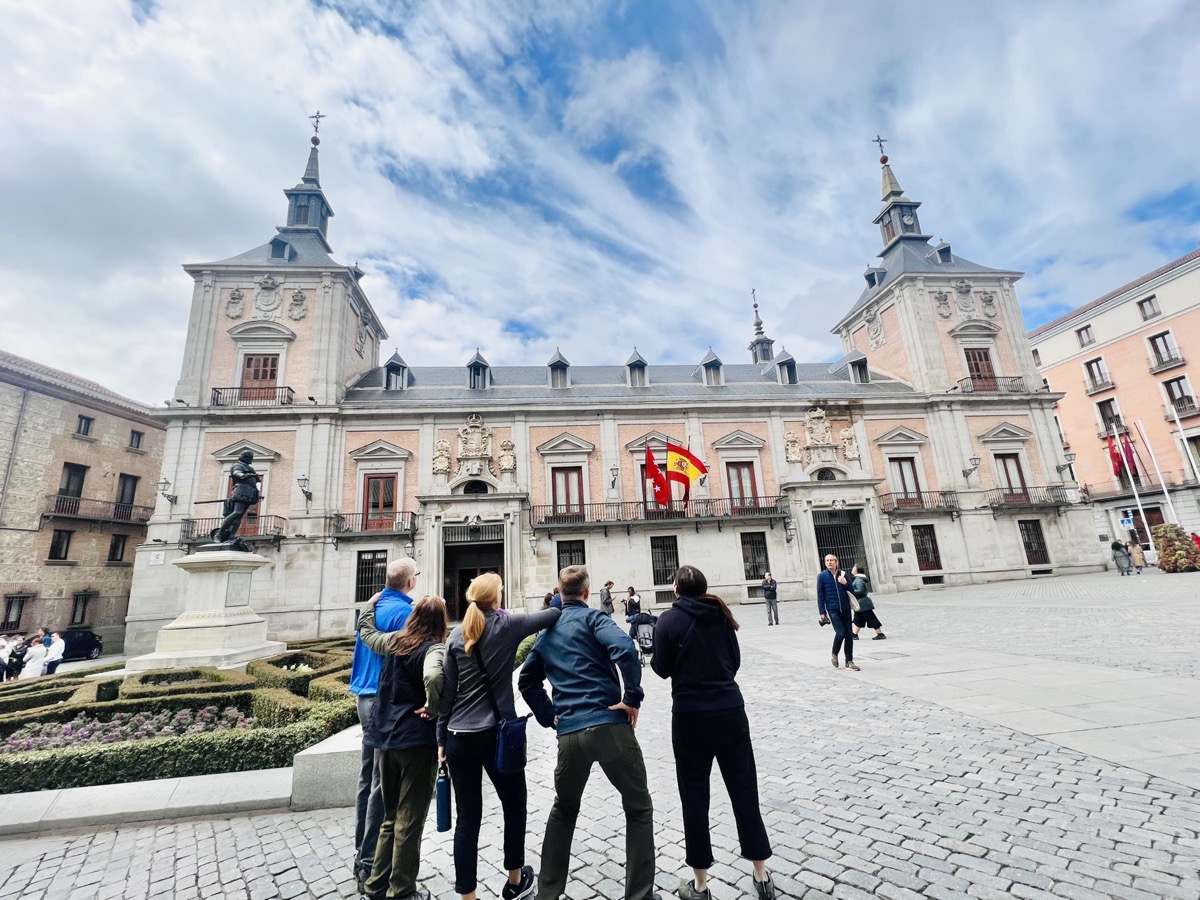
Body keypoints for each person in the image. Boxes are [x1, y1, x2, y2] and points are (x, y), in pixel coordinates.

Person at [519, 565, 661, 900]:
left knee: (563, 809)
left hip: (569, 733)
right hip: (609, 726)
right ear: (586, 592)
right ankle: (639, 896)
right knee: (638, 807)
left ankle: (548, 893)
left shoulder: (547, 632)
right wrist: (631, 698)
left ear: (560, 591)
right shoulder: (595, 619)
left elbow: (527, 680)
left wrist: (549, 715)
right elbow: (625, 649)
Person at [652, 565, 775, 900]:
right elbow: (734, 662)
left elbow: (662, 670)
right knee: (745, 791)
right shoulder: (721, 614)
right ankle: (762, 876)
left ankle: (701, 884)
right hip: (730, 711)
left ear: (676, 587)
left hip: (690, 717)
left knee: (694, 797)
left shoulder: (667, 621)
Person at [438, 572, 560, 900]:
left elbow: (446, 696)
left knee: (468, 818)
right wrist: (561, 591)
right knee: (514, 803)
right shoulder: (506, 627)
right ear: (496, 598)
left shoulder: (455, 636)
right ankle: (516, 880)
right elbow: (553, 614)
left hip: (457, 738)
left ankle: (468, 895)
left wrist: (440, 740)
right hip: (495, 736)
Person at [357, 595, 450, 900]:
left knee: (389, 817)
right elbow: (434, 674)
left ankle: (375, 886)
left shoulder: (395, 641)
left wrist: (369, 607)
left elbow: (368, 634)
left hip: (384, 739)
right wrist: (433, 706)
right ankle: (402, 891)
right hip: (414, 741)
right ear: (440, 621)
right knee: (409, 819)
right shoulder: (434, 647)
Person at [349, 557, 420, 894]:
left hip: (363, 697)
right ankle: (368, 864)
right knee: (382, 783)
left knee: (368, 778)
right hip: (384, 700)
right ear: (410, 582)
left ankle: (360, 854)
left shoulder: (372, 606)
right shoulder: (407, 614)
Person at [816, 554, 859, 671]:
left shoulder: (843, 574)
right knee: (841, 633)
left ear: (836, 562)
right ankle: (834, 654)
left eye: (832, 560)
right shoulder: (822, 576)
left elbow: (851, 590)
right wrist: (822, 612)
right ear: (825, 563)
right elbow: (820, 595)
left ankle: (849, 661)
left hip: (845, 608)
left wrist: (845, 583)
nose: (829, 562)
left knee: (849, 635)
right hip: (832, 609)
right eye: (827, 560)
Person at [848, 566, 885, 641]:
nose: (852, 570)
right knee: (858, 619)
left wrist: (850, 591)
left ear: (857, 571)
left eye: (853, 569)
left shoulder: (858, 580)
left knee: (871, 618)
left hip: (863, 603)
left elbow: (860, 591)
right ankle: (854, 634)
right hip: (861, 603)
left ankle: (880, 634)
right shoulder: (857, 579)